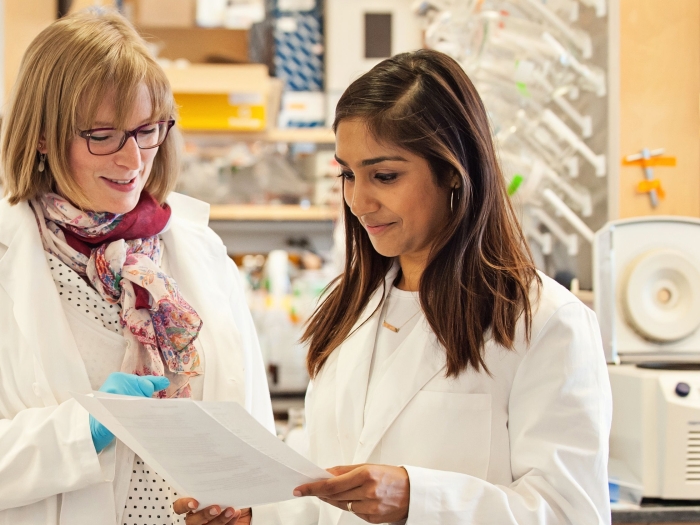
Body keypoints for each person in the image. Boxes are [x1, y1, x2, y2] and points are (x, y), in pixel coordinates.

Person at [177, 49, 612, 525]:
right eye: (347, 174)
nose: (359, 200)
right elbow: (320, 483)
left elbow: (573, 515)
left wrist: (418, 499)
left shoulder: (542, 322)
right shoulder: (351, 310)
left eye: (384, 176)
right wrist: (255, 515)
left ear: (452, 171)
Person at [0, 9, 272, 525]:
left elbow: (253, 427)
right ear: (41, 136)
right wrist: (84, 427)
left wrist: (244, 505)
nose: (132, 160)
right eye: (102, 135)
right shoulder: (10, 258)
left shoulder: (199, 254)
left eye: (146, 130)